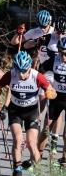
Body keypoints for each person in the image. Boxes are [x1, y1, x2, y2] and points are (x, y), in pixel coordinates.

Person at [0, 51, 56, 176]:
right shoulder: (11, 75)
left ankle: (38, 171)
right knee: (17, 139)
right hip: (15, 111)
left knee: (31, 143)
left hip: (31, 111)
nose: (21, 74)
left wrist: (50, 93)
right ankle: (17, 169)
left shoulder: (37, 76)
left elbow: (52, 91)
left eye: (24, 70)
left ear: (29, 67)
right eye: (18, 70)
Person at [37, 37, 66, 166]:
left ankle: (64, 160)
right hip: (56, 97)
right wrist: (47, 87)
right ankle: (38, 154)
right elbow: (40, 74)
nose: (63, 56)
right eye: (61, 52)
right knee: (47, 127)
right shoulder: (54, 59)